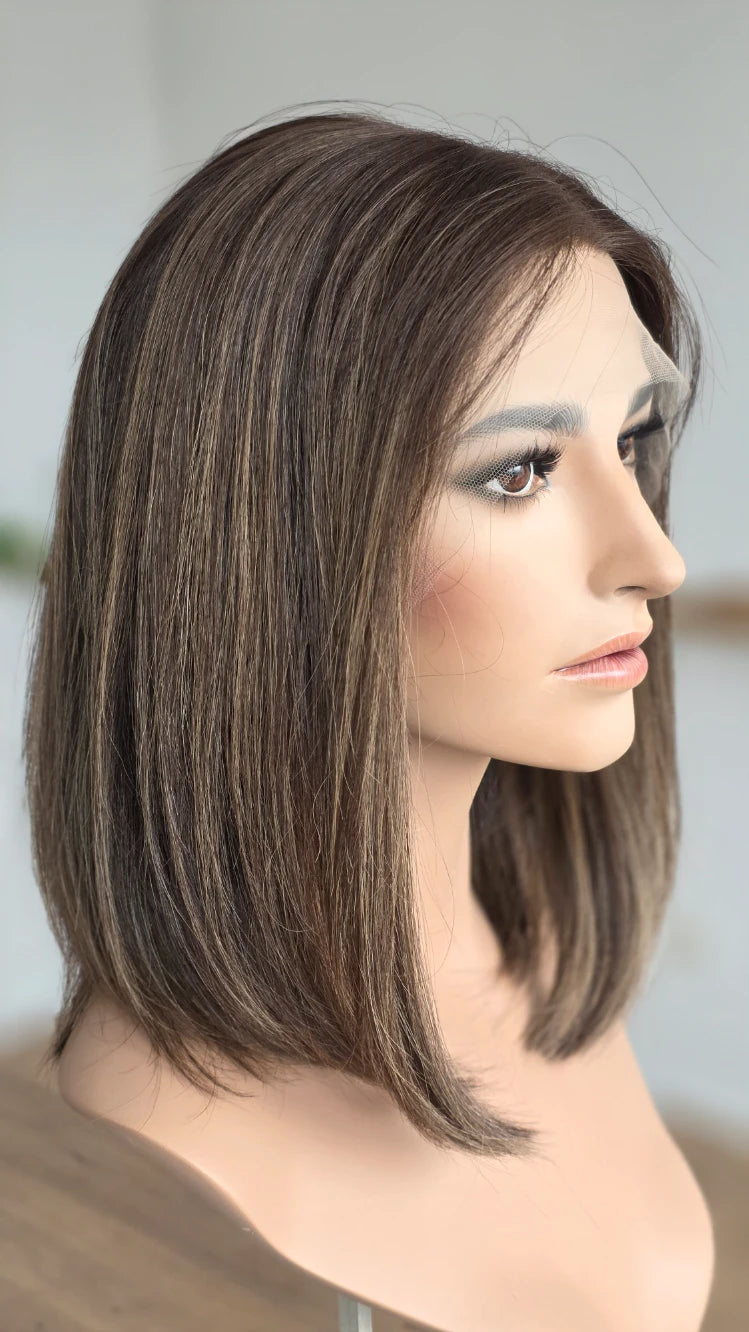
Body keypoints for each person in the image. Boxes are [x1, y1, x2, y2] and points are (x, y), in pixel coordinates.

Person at [23, 107, 715, 1331]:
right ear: (267, 535)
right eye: (520, 471)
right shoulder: (184, 1125)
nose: (653, 558)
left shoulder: (537, 952)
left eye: (631, 442)